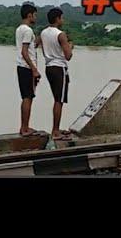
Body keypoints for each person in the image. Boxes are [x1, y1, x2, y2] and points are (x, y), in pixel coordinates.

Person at [40, 8, 74, 141]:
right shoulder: (61, 34)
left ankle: (56, 128)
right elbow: (68, 56)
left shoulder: (43, 33)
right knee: (59, 100)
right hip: (59, 68)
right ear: (58, 19)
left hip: (48, 67)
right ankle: (55, 131)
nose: (63, 20)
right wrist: (70, 46)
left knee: (56, 98)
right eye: (62, 18)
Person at [15, 2, 41, 137]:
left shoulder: (20, 29)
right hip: (26, 67)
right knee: (28, 97)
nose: (36, 18)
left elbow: (28, 49)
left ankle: (24, 127)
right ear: (29, 15)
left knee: (26, 97)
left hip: (21, 66)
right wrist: (34, 69)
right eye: (35, 15)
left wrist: (37, 41)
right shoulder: (28, 30)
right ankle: (25, 128)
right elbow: (25, 52)